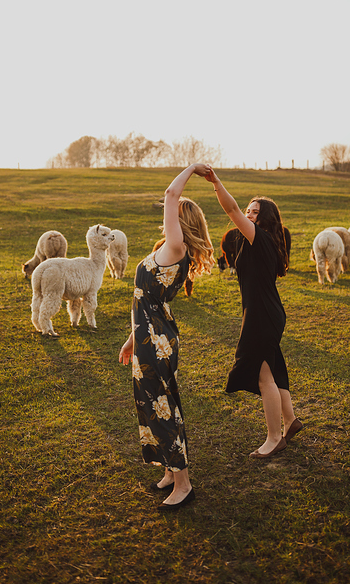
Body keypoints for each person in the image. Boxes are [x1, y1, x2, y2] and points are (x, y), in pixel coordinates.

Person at [119, 164, 214, 510]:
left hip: (156, 341)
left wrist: (191, 169)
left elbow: (171, 194)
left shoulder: (176, 247)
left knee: (162, 409)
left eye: (170, 212)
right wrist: (132, 338)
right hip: (150, 335)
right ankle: (171, 472)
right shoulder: (170, 248)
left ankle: (183, 483)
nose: (165, 214)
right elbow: (146, 300)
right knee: (151, 406)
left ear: (180, 218)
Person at [205, 167, 303, 458]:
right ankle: (291, 421)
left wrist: (216, 183)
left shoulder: (259, 237)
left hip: (261, 315)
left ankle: (274, 438)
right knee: (274, 370)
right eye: (248, 209)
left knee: (264, 377)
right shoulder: (261, 240)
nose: (247, 214)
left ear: (265, 218)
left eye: (254, 211)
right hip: (266, 312)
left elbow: (231, 208)